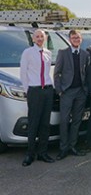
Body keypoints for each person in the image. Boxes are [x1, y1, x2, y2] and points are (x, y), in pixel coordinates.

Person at [20, 29, 55, 166]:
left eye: (42, 36)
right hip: (34, 90)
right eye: (37, 36)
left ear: (45, 38)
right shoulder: (27, 53)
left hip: (47, 90)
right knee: (33, 123)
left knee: (45, 123)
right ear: (33, 39)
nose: (40, 38)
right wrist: (28, 90)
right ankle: (30, 154)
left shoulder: (48, 53)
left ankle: (43, 153)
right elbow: (23, 73)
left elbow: (47, 72)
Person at [54, 30, 89, 160]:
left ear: (81, 39)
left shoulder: (85, 54)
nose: (76, 39)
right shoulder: (62, 53)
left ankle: (72, 146)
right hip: (67, 91)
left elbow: (86, 72)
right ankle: (63, 148)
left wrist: (86, 90)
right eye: (73, 37)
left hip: (81, 92)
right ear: (69, 39)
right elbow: (57, 73)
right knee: (63, 120)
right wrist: (59, 90)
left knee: (76, 120)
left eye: (78, 37)